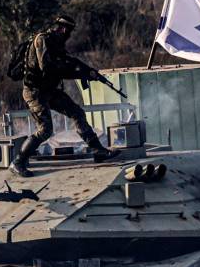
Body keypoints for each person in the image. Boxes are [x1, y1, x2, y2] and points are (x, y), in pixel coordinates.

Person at [10, 14, 119, 177]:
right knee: (45, 130)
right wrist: (77, 74)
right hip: (35, 92)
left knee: (77, 113)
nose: (68, 35)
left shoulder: (57, 45)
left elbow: (69, 62)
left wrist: (86, 72)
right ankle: (18, 162)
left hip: (50, 90)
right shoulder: (42, 40)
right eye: (67, 31)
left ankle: (98, 150)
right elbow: (49, 68)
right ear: (61, 28)